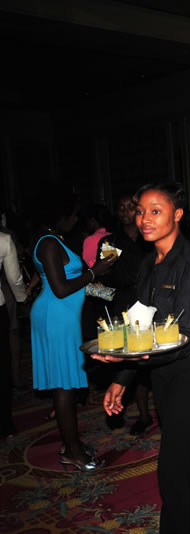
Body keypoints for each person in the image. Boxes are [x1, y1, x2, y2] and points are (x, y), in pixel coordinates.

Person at [95, 183, 190, 533]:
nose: (145, 219)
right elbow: (140, 322)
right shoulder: (148, 264)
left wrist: (134, 357)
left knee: (173, 467)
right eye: (141, 211)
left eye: (155, 211)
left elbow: (186, 333)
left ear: (177, 215)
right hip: (163, 372)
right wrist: (122, 378)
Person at [31, 197, 117, 470]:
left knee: (67, 382)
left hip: (64, 316)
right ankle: (73, 452)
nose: (76, 219)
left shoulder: (55, 238)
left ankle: (71, 444)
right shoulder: (47, 243)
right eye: (72, 215)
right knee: (64, 385)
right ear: (60, 214)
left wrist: (111, 293)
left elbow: (74, 284)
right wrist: (94, 272)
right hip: (55, 317)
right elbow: (60, 288)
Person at [96, 193, 154, 435]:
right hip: (125, 307)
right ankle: (143, 415)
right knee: (134, 364)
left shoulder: (151, 237)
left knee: (160, 361)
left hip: (155, 304)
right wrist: (116, 298)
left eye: (132, 206)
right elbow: (98, 283)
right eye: (122, 207)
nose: (127, 211)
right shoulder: (111, 243)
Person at [1, 230, 27, 439]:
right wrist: (22, 298)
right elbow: (15, 278)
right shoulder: (3, 240)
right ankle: (5, 423)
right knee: (2, 366)